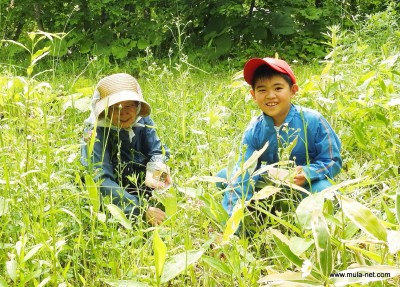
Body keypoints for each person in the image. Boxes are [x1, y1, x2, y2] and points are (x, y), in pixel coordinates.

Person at [218, 57, 342, 217]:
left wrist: (307, 173)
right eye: (262, 90)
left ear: (293, 90)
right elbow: (243, 173)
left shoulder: (313, 121)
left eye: (278, 88)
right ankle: (258, 210)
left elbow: (333, 160)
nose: (270, 95)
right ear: (253, 95)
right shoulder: (254, 130)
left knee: (326, 195)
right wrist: (232, 224)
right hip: (268, 185)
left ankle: (306, 213)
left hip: (305, 185)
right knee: (225, 178)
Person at [80, 73, 171, 226]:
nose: (123, 113)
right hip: (114, 186)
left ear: (138, 106)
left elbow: (157, 151)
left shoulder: (142, 120)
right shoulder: (95, 132)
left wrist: (157, 176)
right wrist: (141, 209)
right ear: (106, 110)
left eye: (129, 106)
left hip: (138, 181)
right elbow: (100, 179)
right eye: (116, 108)